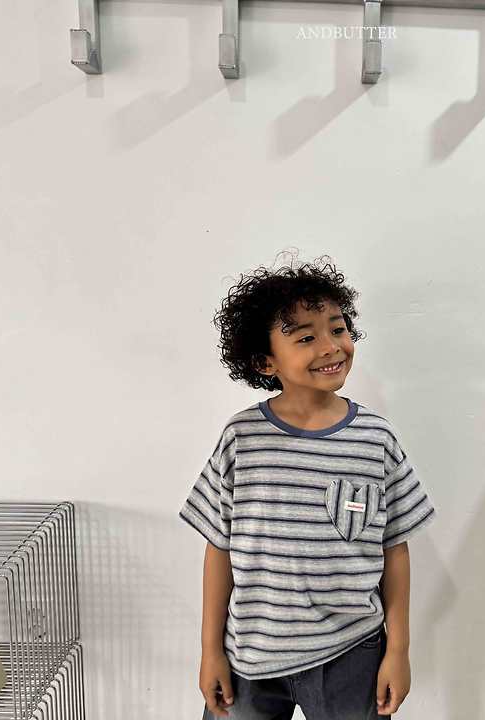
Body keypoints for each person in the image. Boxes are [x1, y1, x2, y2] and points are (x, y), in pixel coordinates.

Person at [179, 254, 438, 719]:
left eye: (338, 329)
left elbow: (394, 548)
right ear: (264, 361)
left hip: (352, 652)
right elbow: (219, 547)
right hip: (250, 658)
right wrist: (210, 651)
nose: (331, 347)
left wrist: (398, 650)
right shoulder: (242, 439)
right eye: (306, 338)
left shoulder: (375, 439)